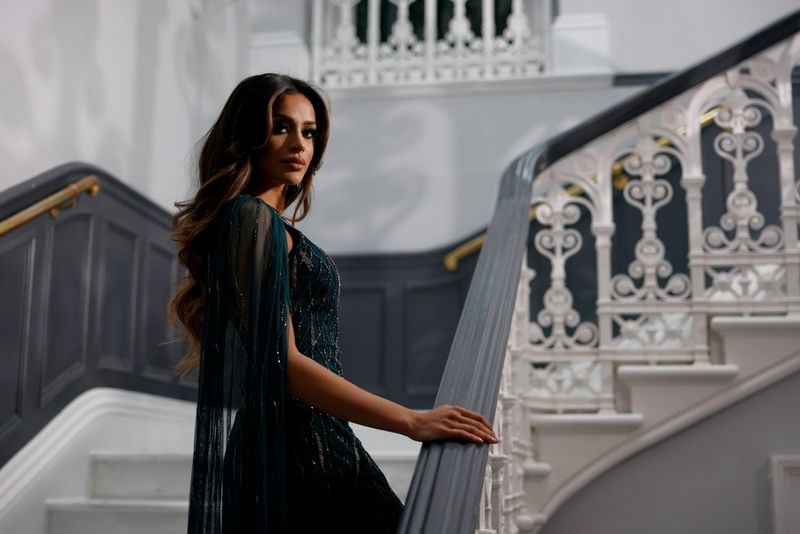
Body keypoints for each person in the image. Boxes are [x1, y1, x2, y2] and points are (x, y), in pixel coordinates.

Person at [168, 73, 498, 533]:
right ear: (247, 136)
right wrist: (411, 420)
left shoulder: (261, 224)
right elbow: (284, 364)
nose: (298, 144)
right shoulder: (251, 219)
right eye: (280, 127)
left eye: (309, 131)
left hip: (299, 437)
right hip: (300, 445)